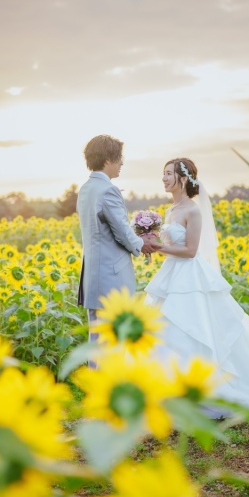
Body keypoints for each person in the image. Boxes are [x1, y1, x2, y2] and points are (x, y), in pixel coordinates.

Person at [145, 158, 249, 409]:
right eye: (163, 174)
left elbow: (191, 251)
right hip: (171, 275)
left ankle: (209, 388)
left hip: (190, 276)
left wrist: (160, 247)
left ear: (183, 178)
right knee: (166, 329)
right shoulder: (170, 210)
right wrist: (151, 241)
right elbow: (171, 249)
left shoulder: (192, 209)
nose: (164, 178)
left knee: (194, 329)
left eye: (168, 174)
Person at [77, 135, 157, 350]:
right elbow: (121, 231)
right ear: (108, 160)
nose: (122, 163)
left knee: (98, 343)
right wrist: (143, 244)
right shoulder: (108, 190)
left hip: (93, 277)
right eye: (119, 158)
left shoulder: (85, 189)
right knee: (112, 344)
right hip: (111, 278)